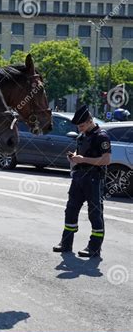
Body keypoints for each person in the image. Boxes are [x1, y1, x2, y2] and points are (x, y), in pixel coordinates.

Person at [53, 105, 111, 257]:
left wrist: (83, 159)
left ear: (90, 121)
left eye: (82, 125)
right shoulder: (82, 136)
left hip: (94, 179)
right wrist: (74, 157)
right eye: (78, 126)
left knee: (95, 214)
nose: (80, 129)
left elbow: (106, 160)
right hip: (79, 178)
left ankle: (94, 248)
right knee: (70, 210)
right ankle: (66, 243)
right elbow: (80, 155)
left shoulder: (102, 136)